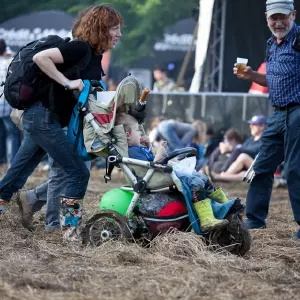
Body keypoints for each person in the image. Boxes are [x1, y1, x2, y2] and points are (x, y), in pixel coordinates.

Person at [0, 5, 123, 241]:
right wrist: (68, 82)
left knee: (15, 177)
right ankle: (69, 230)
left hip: (45, 120)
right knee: (78, 172)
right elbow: (40, 58)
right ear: (101, 28)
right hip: (43, 118)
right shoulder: (79, 48)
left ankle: (58, 224)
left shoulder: (95, 56)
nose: (119, 34)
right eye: (115, 29)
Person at [233, 0, 300, 238]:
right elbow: (274, 80)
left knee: (294, 169)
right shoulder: (271, 44)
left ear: (293, 14)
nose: (278, 22)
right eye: (274, 18)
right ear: (266, 17)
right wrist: (252, 75)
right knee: (261, 165)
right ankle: (254, 219)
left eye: (283, 16)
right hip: (278, 111)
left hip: (298, 110)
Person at [115, 113, 230, 232]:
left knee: (201, 177)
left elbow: (147, 161)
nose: (140, 133)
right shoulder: (133, 152)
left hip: (157, 173)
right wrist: (159, 152)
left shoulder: (137, 149)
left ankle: (223, 205)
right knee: (195, 182)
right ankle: (206, 219)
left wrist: (149, 145)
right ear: (128, 135)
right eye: (137, 131)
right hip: (154, 177)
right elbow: (151, 166)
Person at [212, 115, 266, 181]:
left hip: (259, 166)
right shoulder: (251, 139)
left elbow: (255, 150)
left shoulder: (265, 139)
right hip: (246, 167)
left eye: (254, 124)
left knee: (243, 156)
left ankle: (221, 175)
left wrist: (235, 149)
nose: (250, 126)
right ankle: (217, 173)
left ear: (262, 126)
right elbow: (243, 148)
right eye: (251, 124)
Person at [0, 39, 21, 165]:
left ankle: (1, 159)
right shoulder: (9, 62)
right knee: (12, 134)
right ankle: (12, 162)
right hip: (7, 104)